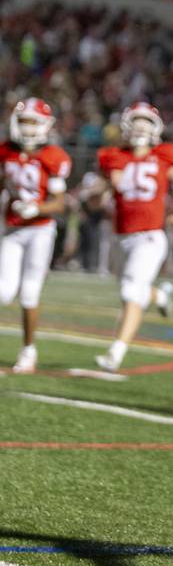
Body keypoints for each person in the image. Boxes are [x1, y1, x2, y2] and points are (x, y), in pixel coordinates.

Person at [94, 102, 173, 371]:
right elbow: (100, 195)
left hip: (150, 236)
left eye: (146, 122)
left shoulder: (164, 156)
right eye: (136, 121)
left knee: (130, 290)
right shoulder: (114, 156)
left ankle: (115, 353)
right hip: (120, 236)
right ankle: (160, 296)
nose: (141, 127)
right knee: (132, 288)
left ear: (156, 128)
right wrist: (99, 192)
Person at [0, 98, 71, 373]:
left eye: (33, 122)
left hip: (40, 230)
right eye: (24, 121)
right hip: (13, 229)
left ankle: (28, 351)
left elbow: (60, 202)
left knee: (29, 292)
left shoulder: (53, 156)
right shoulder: (5, 151)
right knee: (4, 292)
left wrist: (35, 207)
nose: (28, 128)